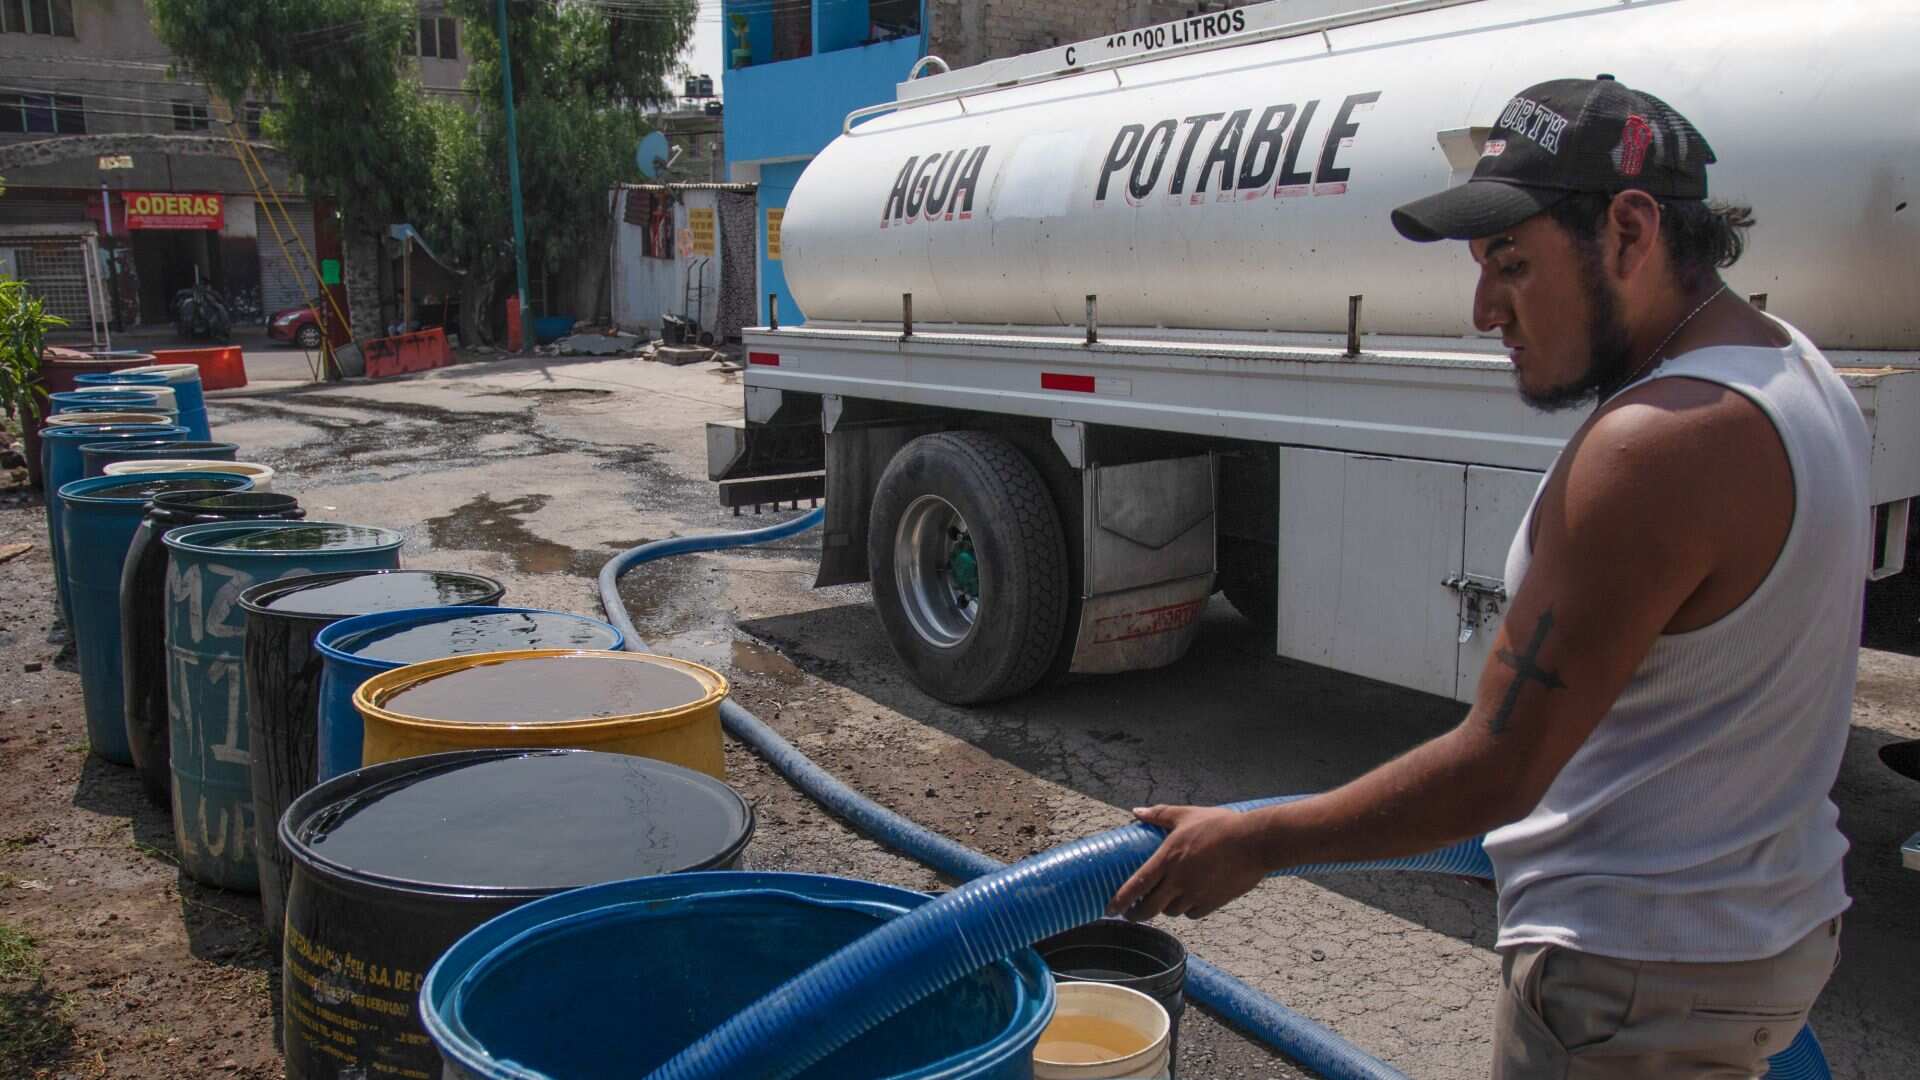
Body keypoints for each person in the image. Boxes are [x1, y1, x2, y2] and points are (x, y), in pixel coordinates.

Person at [1106, 76, 1865, 1078]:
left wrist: (1252, 837)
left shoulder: (1658, 448)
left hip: (1633, 982)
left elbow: (1496, 771)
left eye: (1510, 264)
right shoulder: (1793, 367)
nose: (1481, 311)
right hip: (1748, 939)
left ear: (1630, 234)